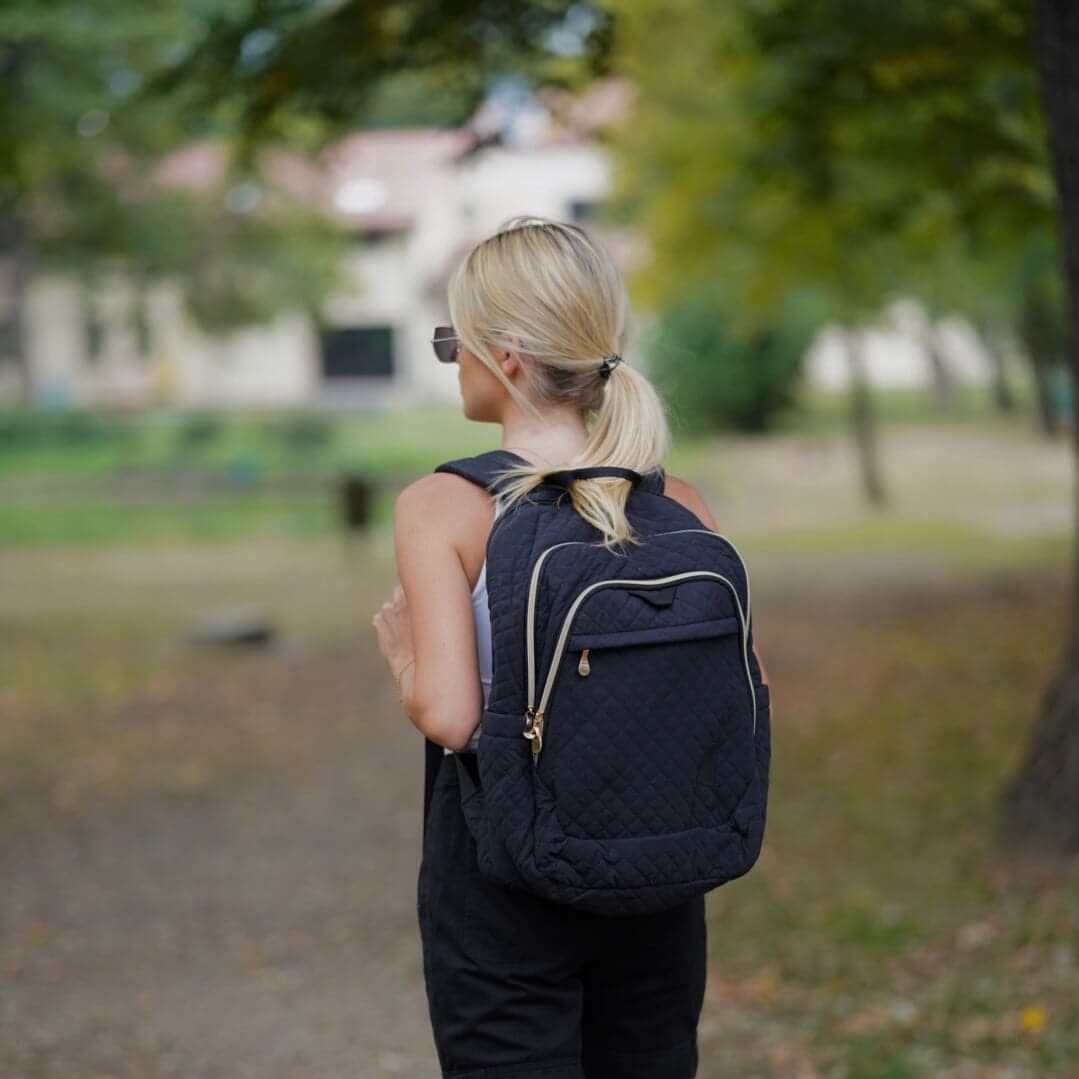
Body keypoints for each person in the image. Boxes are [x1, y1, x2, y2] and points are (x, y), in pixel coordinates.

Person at [372, 215, 769, 1079]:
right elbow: (738, 690)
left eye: (454, 341)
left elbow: (449, 715)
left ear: (505, 353)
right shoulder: (681, 505)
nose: (455, 362)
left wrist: (404, 657)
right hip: (660, 875)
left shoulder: (444, 507)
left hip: (504, 883)